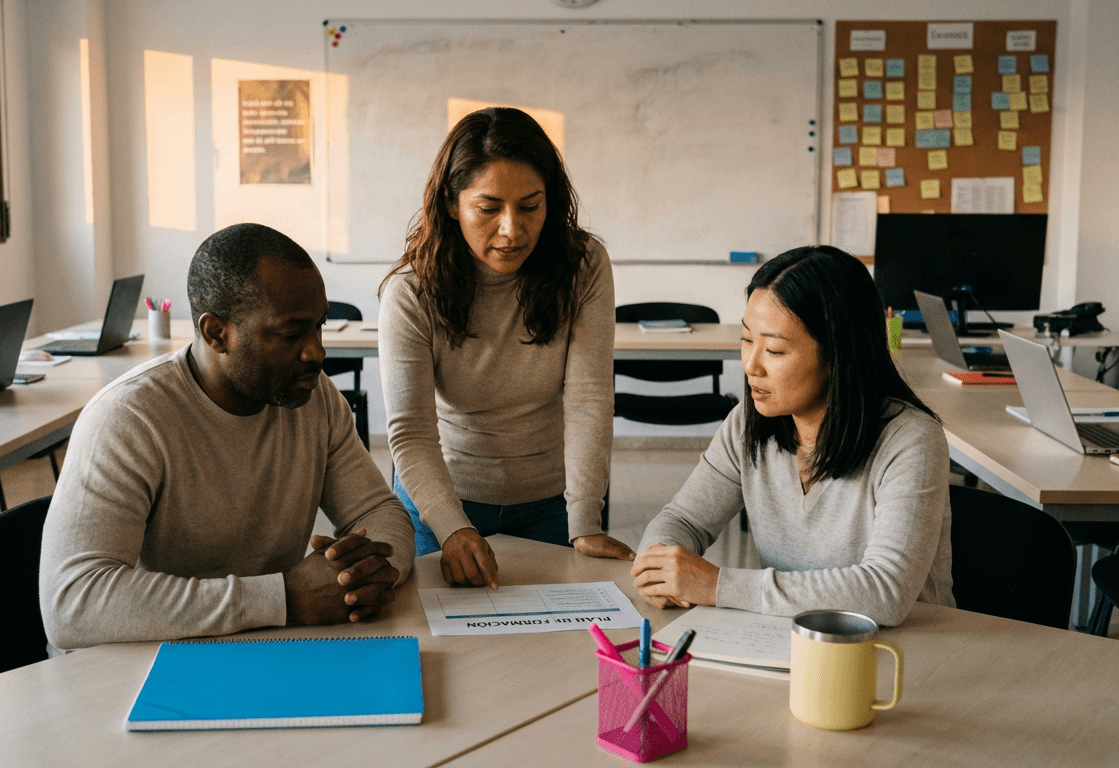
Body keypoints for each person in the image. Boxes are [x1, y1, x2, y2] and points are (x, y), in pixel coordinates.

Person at [40, 223, 415, 650]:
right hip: (144, 664)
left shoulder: (314, 398)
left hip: (267, 649)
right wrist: (284, 599)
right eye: (292, 334)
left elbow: (380, 511)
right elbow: (72, 604)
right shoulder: (128, 418)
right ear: (217, 332)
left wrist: (364, 577)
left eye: (319, 326)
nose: (317, 352)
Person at [379, 107, 634, 590]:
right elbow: (411, 432)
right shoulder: (411, 291)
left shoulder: (583, 265)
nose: (512, 230)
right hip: (443, 501)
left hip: (550, 501)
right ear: (452, 203)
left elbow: (588, 400)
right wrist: (452, 527)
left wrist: (584, 519)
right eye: (489, 208)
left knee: (555, 650)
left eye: (531, 206)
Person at [631, 245, 954, 627]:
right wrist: (658, 565)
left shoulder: (911, 440)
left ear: (837, 353)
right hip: (792, 643)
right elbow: (683, 518)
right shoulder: (748, 423)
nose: (751, 366)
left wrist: (717, 585)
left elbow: (886, 592)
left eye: (775, 350)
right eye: (747, 340)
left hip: (910, 655)